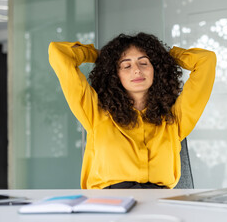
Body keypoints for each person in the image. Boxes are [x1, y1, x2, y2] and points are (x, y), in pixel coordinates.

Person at [48, 32, 216, 189]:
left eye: (144, 63)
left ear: (156, 69)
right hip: (109, 207)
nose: (137, 69)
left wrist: (163, 56)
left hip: (159, 207)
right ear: (114, 73)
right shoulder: (95, 113)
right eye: (126, 65)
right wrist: (101, 56)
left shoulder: (174, 119)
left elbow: (206, 60)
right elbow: (59, 53)